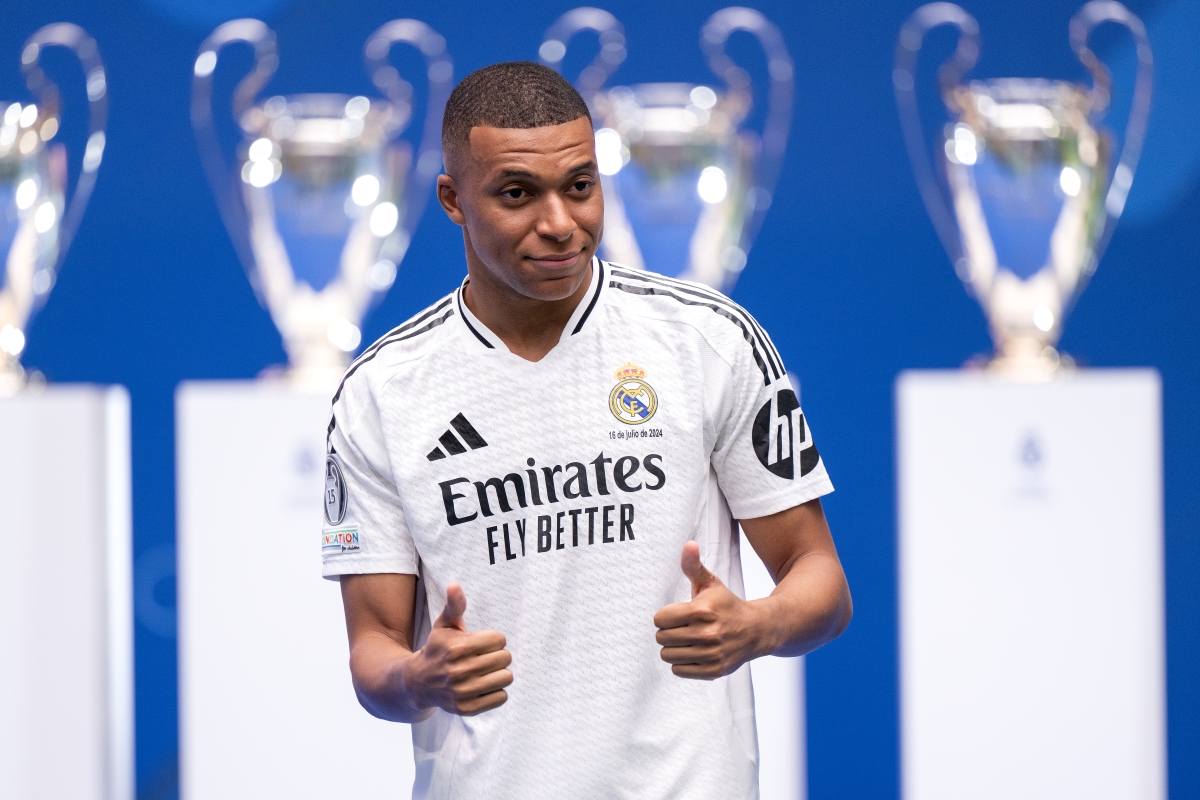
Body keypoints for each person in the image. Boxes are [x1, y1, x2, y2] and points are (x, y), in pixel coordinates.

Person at [322, 61, 851, 799]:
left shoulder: (710, 340)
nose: (561, 223)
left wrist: (756, 626)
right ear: (452, 200)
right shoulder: (382, 392)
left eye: (579, 185)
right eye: (517, 194)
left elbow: (821, 580)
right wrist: (419, 675)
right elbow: (371, 653)